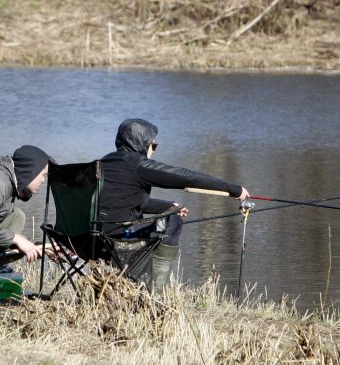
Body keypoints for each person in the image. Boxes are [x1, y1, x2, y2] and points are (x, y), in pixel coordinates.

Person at [99, 118, 250, 292]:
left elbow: (122, 203)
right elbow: (186, 176)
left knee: (171, 212)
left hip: (86, 241)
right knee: (173, 220)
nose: (153, 151)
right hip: (116, 242)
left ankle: (135, 282)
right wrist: (232, 188)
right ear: (142, 144)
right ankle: (155, 290)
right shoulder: (139, 165)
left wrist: (168, 205)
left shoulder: (102, 163)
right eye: (153, 146)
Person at [0, 145, 50, 266]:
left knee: (17, 216)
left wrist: (35, 246)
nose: (43, 180)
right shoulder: (2, 184)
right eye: (42, 174)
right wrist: (16, 239)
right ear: (31, 170)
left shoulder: (9, 181)